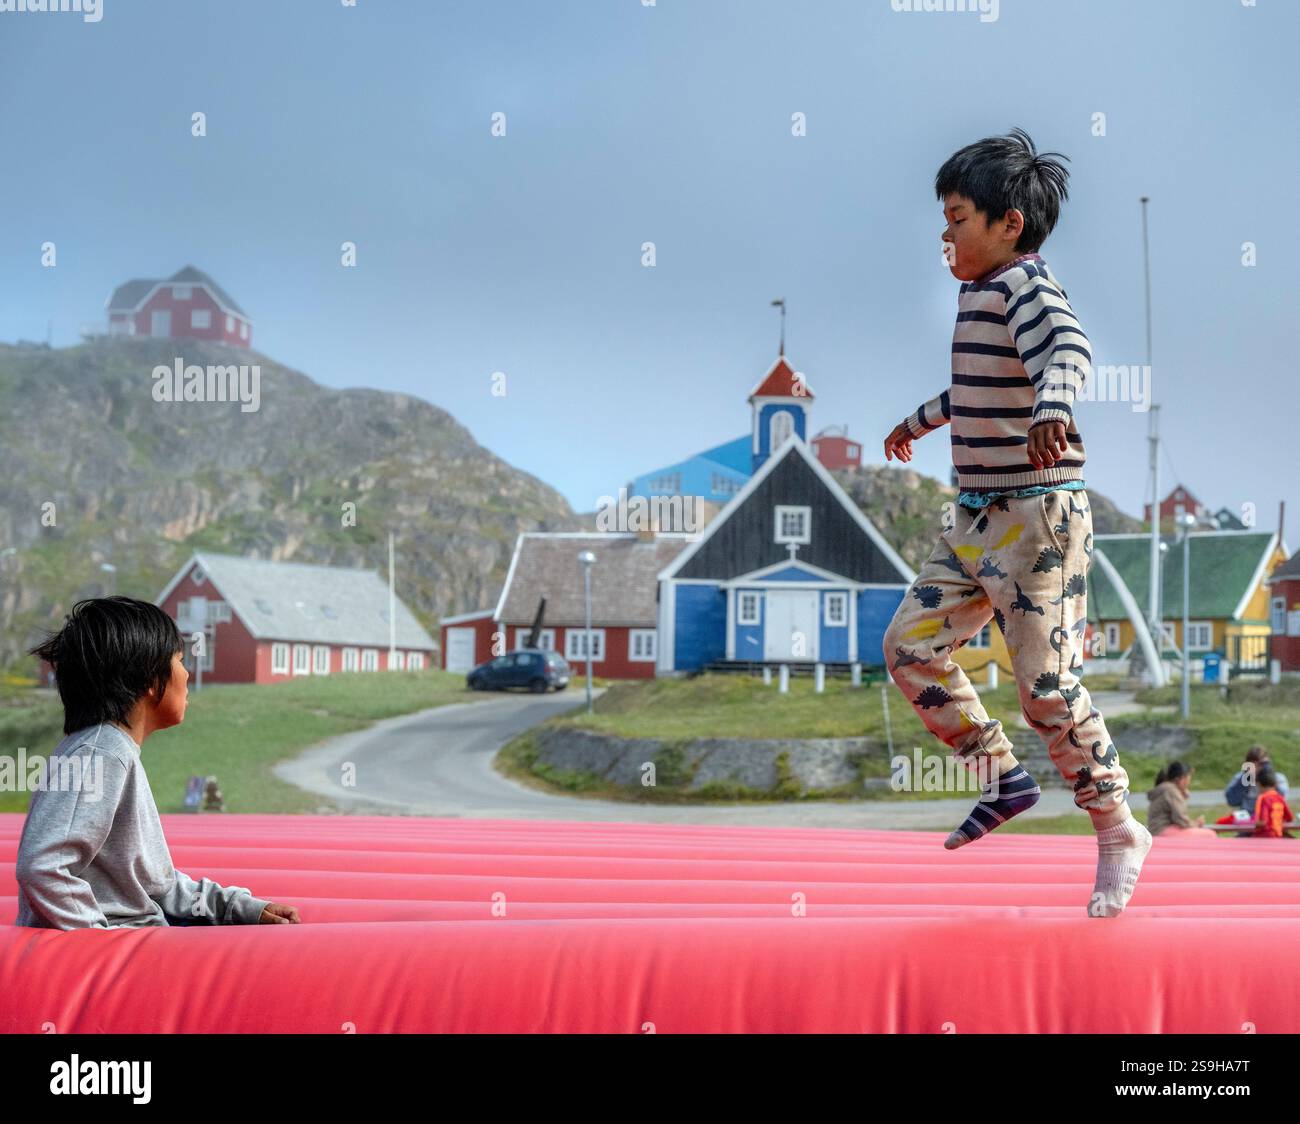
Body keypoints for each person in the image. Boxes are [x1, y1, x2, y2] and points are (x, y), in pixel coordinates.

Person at [882, 127, 1151, 918]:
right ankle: (1003, 777)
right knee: (909, 647)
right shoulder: (975, 294)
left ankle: (1115, 829)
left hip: (1038, 520)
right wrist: (922, 419)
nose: (946, 234)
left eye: (958, 217)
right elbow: (976, 384)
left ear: (1010, 226)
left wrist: (1055, 405)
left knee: (1044, 686)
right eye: (944, 218)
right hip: (973, 519)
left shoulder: (1028, 287)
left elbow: (1064, 351)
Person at [13, 596, 302, 929]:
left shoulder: (108, 750)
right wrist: (95, 943)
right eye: (180, 660)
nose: (188, 674)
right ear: (151, 680)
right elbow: (42, 866)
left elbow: (157, 885)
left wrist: (236, 907)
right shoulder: (101, 753)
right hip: (124, 953)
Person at [1146, 761, 1215, 838]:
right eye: (1189, 777)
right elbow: (1181, 820)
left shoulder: (1166, 789)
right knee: (1210, 835)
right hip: (1163, 831)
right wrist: (1196, 824)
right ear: (1181, 779)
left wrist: (1182, 796)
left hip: (1157, 830)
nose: (1189, 781)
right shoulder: (1171, 791)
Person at [1225, 745, 1289, 815]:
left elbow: (1281, 799)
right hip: (1248, 821)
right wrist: (1245, 781)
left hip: (1270, 819)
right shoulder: (1240, 778)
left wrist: (1268, 777)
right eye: (1252, 764)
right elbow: (1232, 801)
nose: (1256, 768)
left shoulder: (1278, 778)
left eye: (1260, 764)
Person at [1251, 765, 1295, 839]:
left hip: (1264, 836)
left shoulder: (1263, 798)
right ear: (1275, 784)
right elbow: (1289, 818)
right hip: (1278, 835)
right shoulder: (1280, 798)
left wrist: (1252, 823)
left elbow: (1263, 821)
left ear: (1258, 784)